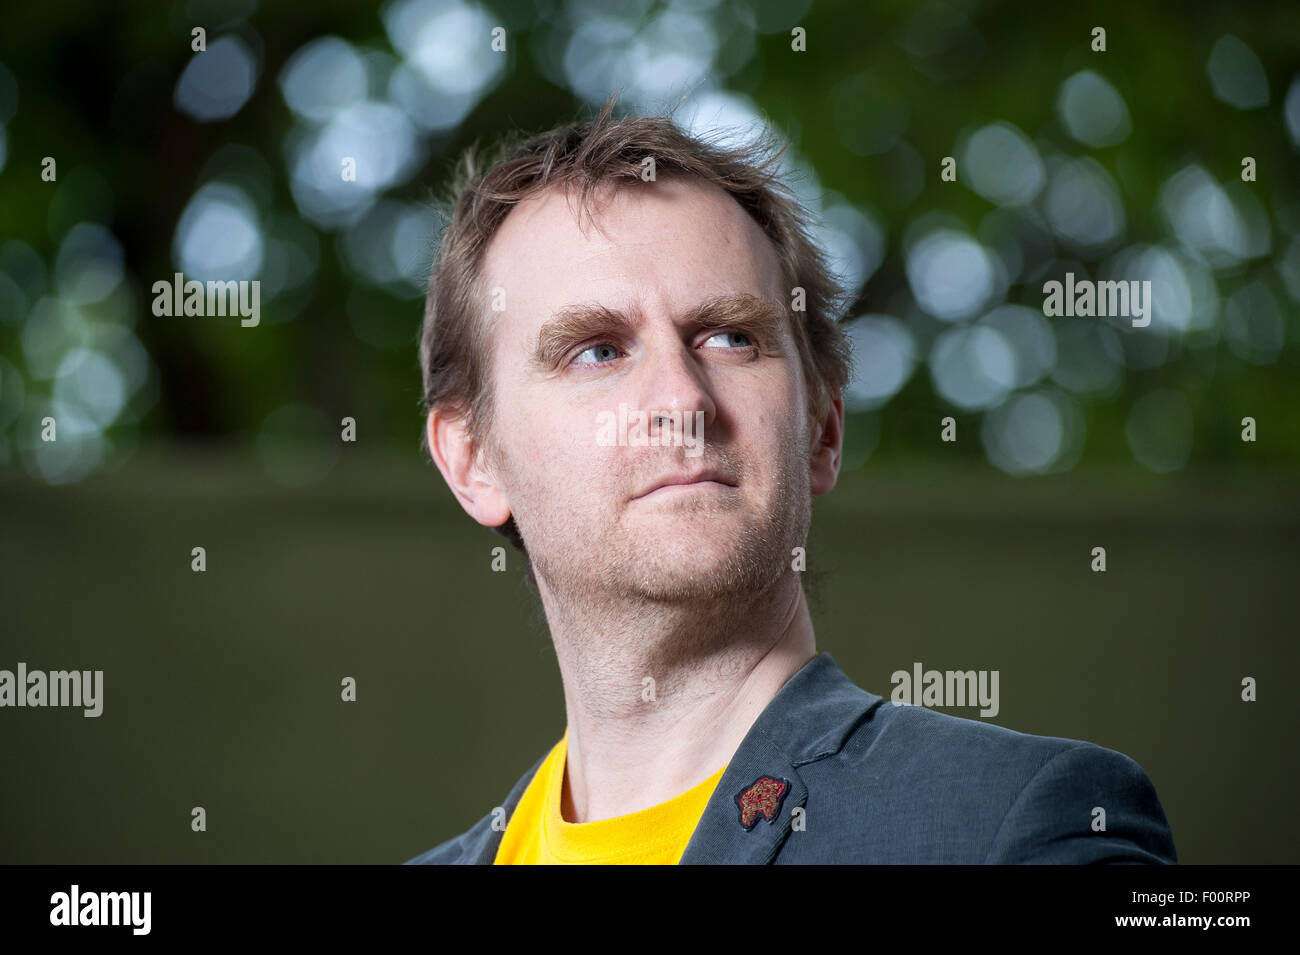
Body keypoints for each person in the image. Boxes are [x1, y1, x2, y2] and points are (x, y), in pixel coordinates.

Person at [405, 96, 1177, 865]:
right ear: (472, 459)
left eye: (732, 337)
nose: (681, 399)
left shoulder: (1023, 823)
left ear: (823, 430)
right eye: (596, 350)